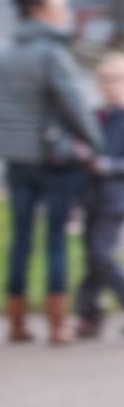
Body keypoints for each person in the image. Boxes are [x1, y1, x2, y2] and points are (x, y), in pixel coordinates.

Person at [0, 0, 104, 344]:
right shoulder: (52, 54)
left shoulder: (0, 57)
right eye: (60, 7)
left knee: (19, 240)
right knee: (55, 241)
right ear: (39, 12)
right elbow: (75, 107)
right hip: (54, 162)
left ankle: (16, 323)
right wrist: (97, 144)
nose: (66, 13)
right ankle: (57, 324)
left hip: (16, 161)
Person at [76, 52, 124, 339]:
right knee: (91, 257)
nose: (110, 85)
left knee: (101, 254)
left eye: (116, 79)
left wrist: (108, 166)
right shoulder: (97, 117)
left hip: (115, 196)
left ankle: (89, 313)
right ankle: (89, 315)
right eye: (104, 80)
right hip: (91, 195)